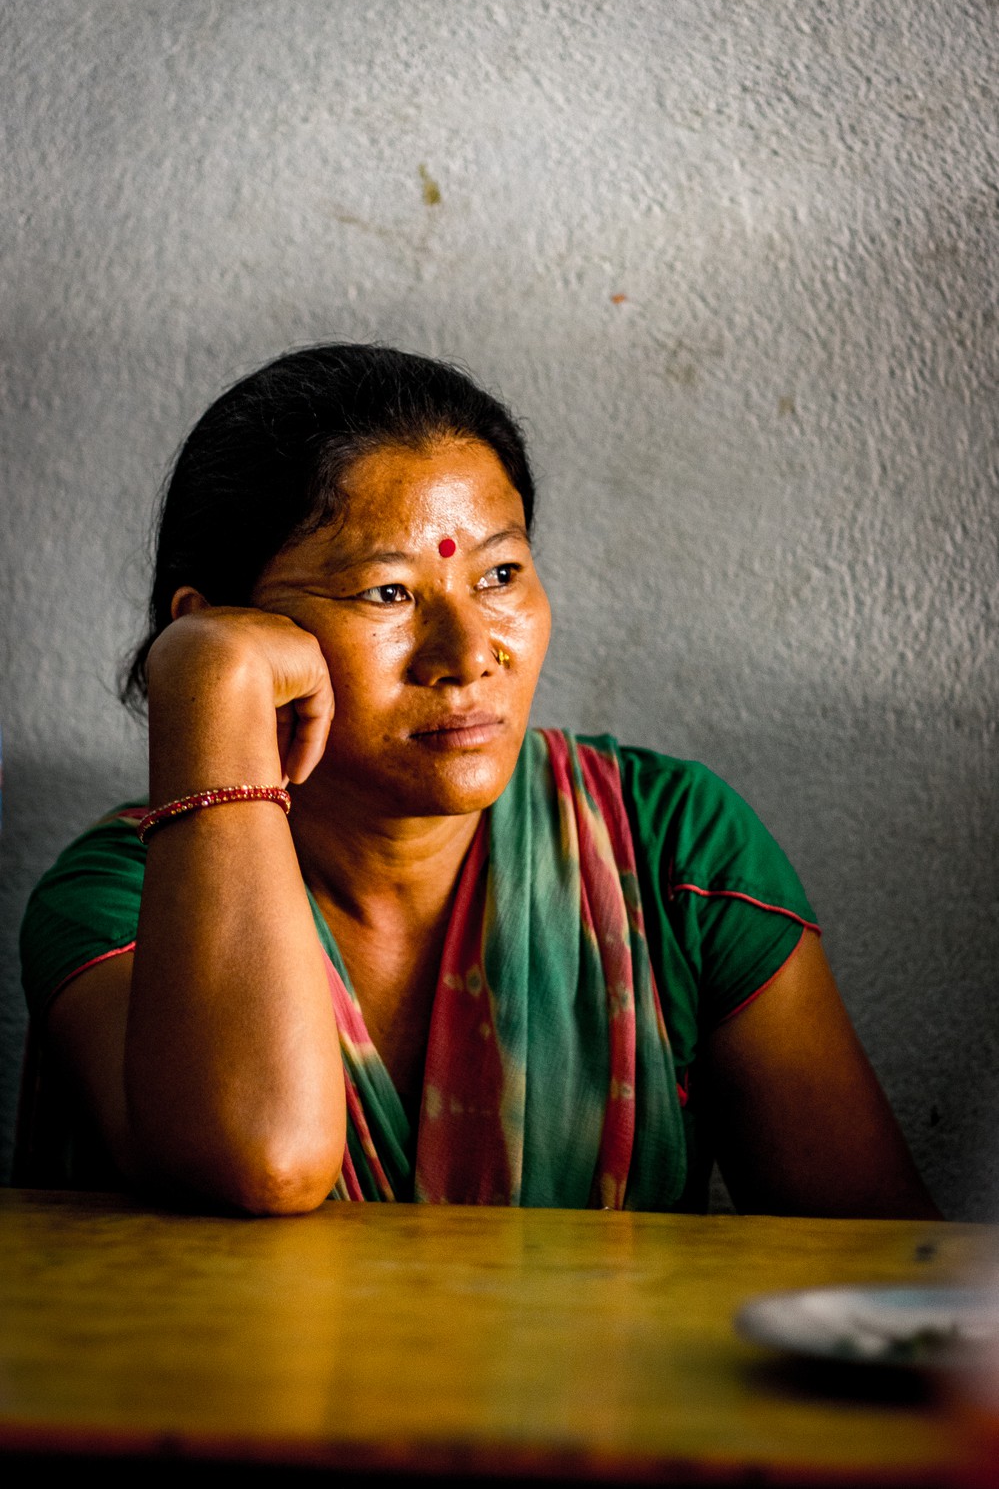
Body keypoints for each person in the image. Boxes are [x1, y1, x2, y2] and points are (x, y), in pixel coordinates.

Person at [19, 344, 937, 1217]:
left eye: (499, 574)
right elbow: (258, 1160)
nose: (467, 656)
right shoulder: (117, 900)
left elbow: (886, 1275)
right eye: (387, 594)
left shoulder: (670, 852)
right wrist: (207, 686)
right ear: (223, 625)